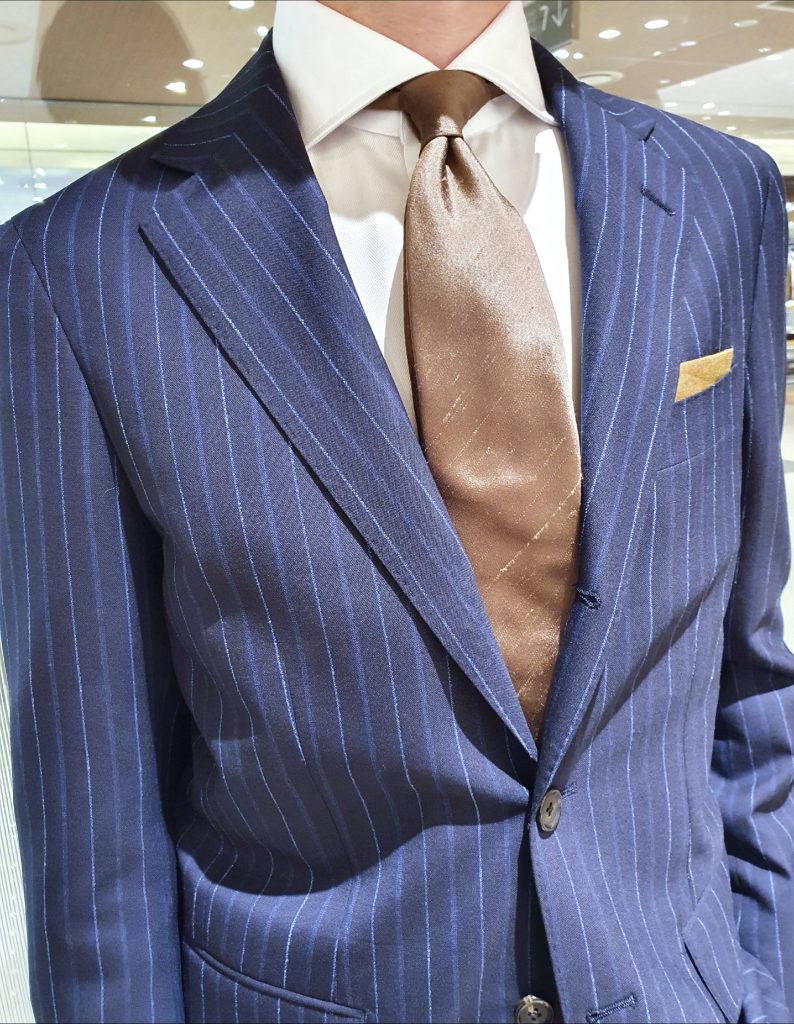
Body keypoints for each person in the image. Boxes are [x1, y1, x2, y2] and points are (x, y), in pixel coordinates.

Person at [1, 1, 791, 1021]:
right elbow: (94, 817)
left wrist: (766, 982)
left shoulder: (716, 193)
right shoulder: (74, 269)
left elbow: (745, 674)